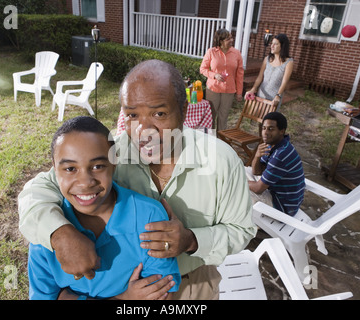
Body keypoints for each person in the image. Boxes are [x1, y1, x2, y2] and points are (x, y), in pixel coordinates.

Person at [18, 59, 256, 300]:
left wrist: (191, 240)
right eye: (132, 115)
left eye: (159, 113)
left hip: (194, 284)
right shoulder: (110, 155)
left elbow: (242, 230)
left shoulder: (221, 161)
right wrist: (59, 233)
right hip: (121, 285)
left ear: (183, 111)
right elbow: (36, 191)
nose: (144, 130)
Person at [28, 116, 181, 300]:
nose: (85, 183)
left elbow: (163, 296)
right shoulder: (46, 230)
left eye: (98, 166)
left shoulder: (149, 216)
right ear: (54, 168)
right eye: (70, 169)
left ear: (114, 163)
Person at [246, 112, 305, 216]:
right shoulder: (273, 144)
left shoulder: (280, 155)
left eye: (271, 129)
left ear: (281, 131)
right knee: (241, 170)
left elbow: (258, 188)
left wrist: (240, 181)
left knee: (237, 189)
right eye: (264, 128)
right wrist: (257, 156)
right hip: (275, 191)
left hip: (282, 207)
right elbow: (256, 171)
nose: (265, 132)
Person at [200, 28, 244, 131]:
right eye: (228, 39)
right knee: (210, 117)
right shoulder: (211, 52)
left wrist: (239, 93)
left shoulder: (236, 53)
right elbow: (203, 69)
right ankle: (209, 140)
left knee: (223, 117)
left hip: (229, 90)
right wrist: (214, 75)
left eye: (231, 37)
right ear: (221, 41)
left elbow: (240, 74)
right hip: (213, 89)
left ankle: (221, 141)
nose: (231, 40)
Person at [245, 34, 293, 109]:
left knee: (268, 120)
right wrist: (253, 89)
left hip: (274, 98)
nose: (272, 46)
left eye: (275, 44)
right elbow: (260, 77)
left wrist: (278, 95)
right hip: (261, 94)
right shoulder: (267, 59)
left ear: (282, 46)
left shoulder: (289, 62)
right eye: (272, 43)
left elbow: (284, 82)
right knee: (256, 117)